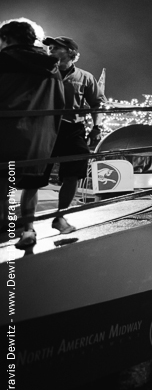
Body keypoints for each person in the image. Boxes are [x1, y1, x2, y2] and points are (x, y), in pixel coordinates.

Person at [22, 35, 104, 244]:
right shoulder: (41, 73)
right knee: (34, 177)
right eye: (49, 46)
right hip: (44, 128)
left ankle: (59, 216)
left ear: (70, 52)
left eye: (56, 47)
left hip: (72, 129)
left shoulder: (85, 77)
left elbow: (97, 104)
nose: (50, 49)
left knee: (74, 172)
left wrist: (97, 126)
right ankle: (28, 229)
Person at [1, 19, 69, 249]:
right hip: (39, 139)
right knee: (30, 187)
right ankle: (28, 231)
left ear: (6, 38)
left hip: (5, 135)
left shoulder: (3, 59)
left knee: (3, 185)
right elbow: (59, 102)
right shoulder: (51, 66)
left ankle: (5, 229)